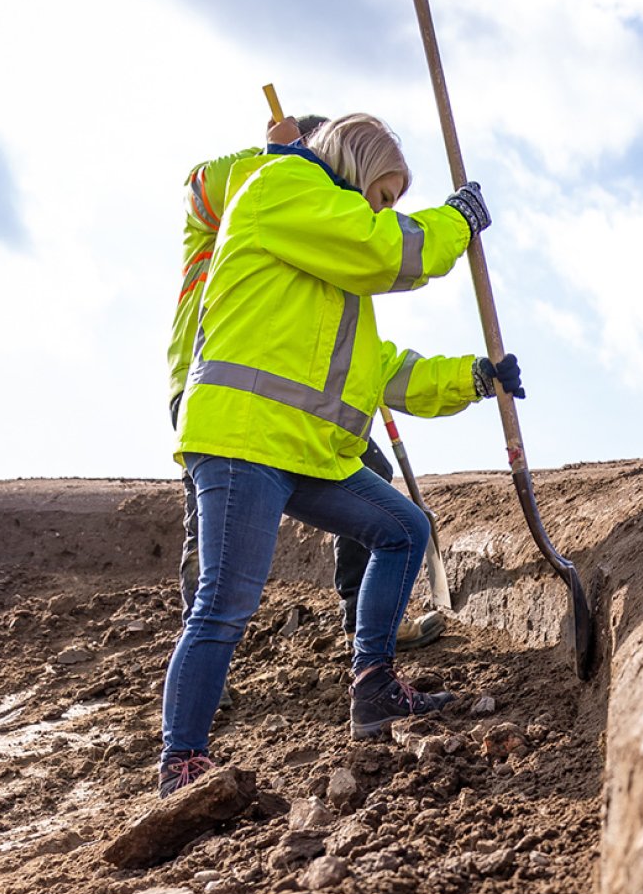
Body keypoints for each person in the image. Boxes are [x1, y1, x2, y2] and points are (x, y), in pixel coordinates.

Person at [158, 110, 522, 794]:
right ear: (351, 166)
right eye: (381, 196)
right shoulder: (282, 186)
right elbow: (391, 250)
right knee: (226, 603)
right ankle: (181, 764)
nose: (381, 211)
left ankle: (373, 685)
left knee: (402, 528)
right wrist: (455, 223)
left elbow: (378, 369)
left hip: (299, 450)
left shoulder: (330, 262)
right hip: (242, 441)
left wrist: (474, 377)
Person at [167, 113, 442, 670]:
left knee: (370, 471)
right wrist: (280, 155)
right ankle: (204, 655)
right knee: (213, 539)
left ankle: (358, 617)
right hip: (217, 379)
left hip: (294, 390)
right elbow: (199, 190)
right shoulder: (263, 184)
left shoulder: (314, 215)